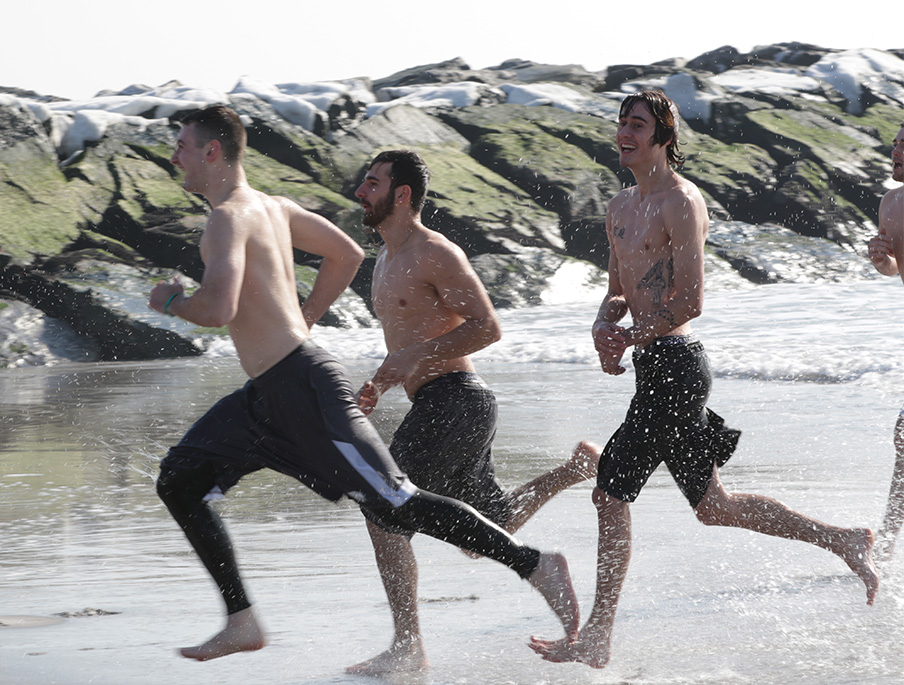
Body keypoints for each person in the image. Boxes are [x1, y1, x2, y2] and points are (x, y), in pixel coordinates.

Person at [148, 105, 579, 662]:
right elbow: (345, 253)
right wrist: (301, 320)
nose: (174, 154)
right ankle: (242, 620)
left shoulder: (229, 217)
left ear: (212, 151)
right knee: (180, 478)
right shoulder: (273, 208)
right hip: (268, 394)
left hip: (302, 386)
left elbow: (218, 306)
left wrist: (171, 302)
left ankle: (534, 566)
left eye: (182, 143)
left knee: (393, 504)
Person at [528, 90, 879, 669]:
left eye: (637, 125)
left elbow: (689, 300)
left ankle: (598, 635)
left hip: (678, 366)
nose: (624, 133)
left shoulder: (680, 201)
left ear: (664, 137)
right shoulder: (619, 208)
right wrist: (601, 327)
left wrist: (631, 336)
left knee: (610, 490)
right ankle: (843, 539)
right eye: (620, 123)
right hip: (651, 367)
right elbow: (619, 291)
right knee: (714, 505)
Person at [343, 149, 599, 676]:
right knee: (494, 525)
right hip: (443, 403)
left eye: (372, 183)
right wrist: (383, 382)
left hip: (456, 400)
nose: (360, 192)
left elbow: (487, 327)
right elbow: (411, 341)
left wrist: (412, 358)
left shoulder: (435, 252)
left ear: (402, 194)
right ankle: (573, 473)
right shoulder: (386, 262)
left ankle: (409, 645)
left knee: (382, 505)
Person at [867, 123, 904, 564]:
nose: (896, 150)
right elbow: (894, 270)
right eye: (895, 142)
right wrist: (885, 261)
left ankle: (889, 546)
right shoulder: (891, 203)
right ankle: (890, 545)